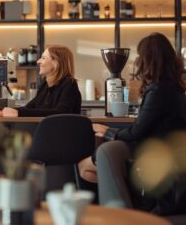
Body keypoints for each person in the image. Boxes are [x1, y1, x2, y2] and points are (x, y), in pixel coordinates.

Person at [79, 33, 186, 205]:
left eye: (140, 56)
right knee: (88, 170)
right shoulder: (174, 88)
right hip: (166, 152)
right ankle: (118, 205)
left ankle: (112, 210)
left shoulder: (158, 91)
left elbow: (137, 132)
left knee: (84, 166)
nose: (137, 61)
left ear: (148, 59)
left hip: (153, 153)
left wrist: (108, 132)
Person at [0, 45, 81, 117]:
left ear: (56, 62)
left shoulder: (69, 84)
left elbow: (61, 113)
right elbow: (28, 108)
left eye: (43, 58)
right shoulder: (45, 85)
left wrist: (18, 113)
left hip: (63, 137)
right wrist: (3, 110)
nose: (38, 61)